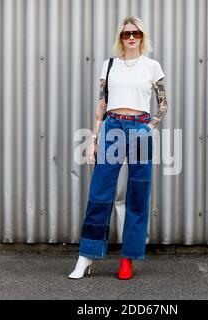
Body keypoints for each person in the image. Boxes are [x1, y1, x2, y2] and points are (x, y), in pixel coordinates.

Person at [68, 16, 168, 280]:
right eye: (126, 34)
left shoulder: (152, 66)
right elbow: (101, 105)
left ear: (142, 37)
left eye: (136, 33)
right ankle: (86, 257)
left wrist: (151, 126)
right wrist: (93, 140)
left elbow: (163, 104)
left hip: (140, 128)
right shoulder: (109, 65)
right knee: (100, 193)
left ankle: (127, 259)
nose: (131, 37)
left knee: (137, 195)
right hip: (112, 127)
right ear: (121, 38)